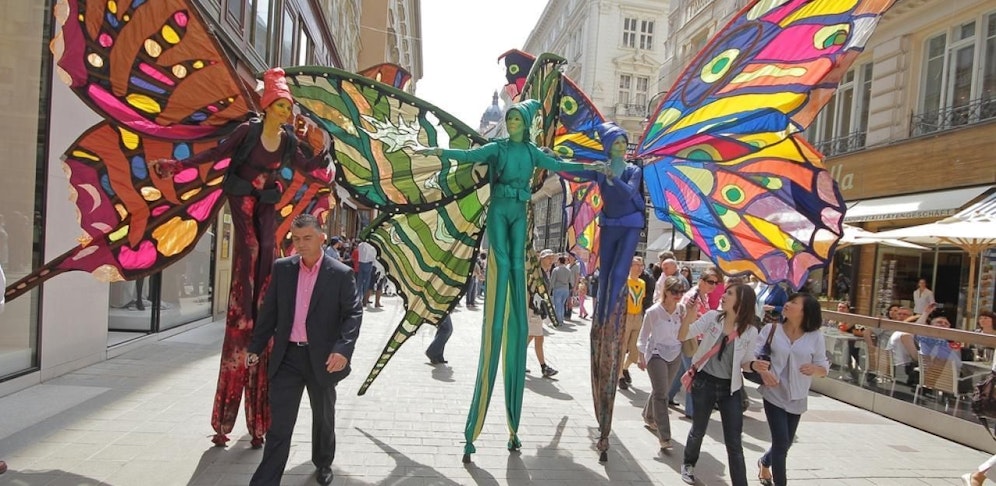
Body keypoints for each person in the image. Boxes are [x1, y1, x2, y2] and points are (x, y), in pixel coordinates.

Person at [416, 100, 609, 461]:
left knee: (517, 265)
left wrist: (593, 169)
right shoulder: (499, 148)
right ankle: (500, 308)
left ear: (527, 123)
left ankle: (513, 426)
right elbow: (466, 156)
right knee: (502, 261)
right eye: (511, 118)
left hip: (519, 210)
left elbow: (561, 166)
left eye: (519, 118)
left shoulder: (532, 152)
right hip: (500, 208)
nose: (514, 122)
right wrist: (436, 152)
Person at [150, 67, 328, 448]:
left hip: (266, 203)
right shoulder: (248, 132)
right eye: (281, 106)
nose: (286, 112)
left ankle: (261, 303)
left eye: (288, 107)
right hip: (242, 198)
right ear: (268, 106)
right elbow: (215, 154)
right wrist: (177, 166)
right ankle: (246, 301)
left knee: (268, 251)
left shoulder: (286, 141)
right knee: (250, 248)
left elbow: (309, 168)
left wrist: (324, 152)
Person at [245, 214, 363, 486]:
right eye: (296, 239)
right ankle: (265, 480)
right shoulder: (283, 269)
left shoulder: (341, 273)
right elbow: (270, 311)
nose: (301, 244)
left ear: (322, 238)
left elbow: (353, 314)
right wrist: (256, 346)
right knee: (280, 424)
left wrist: (343, 349)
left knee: (323, 417)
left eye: (307, 238)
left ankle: (323, 462)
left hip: (322, 359)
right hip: (287, 357)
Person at [677, 283, 761, 486]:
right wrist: (689, 314)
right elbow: (683, 335)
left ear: (741, 301)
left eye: (729, 293)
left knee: (734, 442)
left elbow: (745, 363)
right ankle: (688, 464)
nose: (723, 295)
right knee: (698, 429)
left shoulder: (750, 331)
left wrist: (754, 365)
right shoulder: (712, 318)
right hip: (704, 382)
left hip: (730, 389)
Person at [754, 293, 829, 486]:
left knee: (785, 443)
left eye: (794, 303)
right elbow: (753, 356)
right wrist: (763, 371)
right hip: (773, 393)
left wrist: (815, 369)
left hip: (797, 396)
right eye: (788, 301)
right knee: (781, 443)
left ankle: (764, 462)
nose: (787, 304)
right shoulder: (771, 329)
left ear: (805, 312)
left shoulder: (815, 336)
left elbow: (823, 368)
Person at [637, 276, 688, 453]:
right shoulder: (653, 312)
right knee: (661, 395)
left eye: (681, 292)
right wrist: (641, 356)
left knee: (662, 389)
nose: (678, 295)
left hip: (675, 354)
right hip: (656, 353)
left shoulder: (682, 310)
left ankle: (648, 415)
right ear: (666, 291)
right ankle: (664, 436)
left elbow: (687, 330)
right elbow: (643, 336)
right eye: (674, 291)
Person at [667, 268, 721, 418]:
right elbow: (683, 318)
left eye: (716, 283)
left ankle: (667, 396)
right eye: (710, 282)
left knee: (681, 371)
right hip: (691, 339)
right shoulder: (692, 297)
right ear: (701, 281)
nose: (713, 285)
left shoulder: (704, 295)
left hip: (698, 339)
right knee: (693, 374)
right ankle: (692, 410)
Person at [528, 249, 559, 377]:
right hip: (534, 310)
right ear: (541, 259)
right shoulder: (537, 273)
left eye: (552, 258)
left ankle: (519, 361)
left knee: (533, 337)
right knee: (537, 337)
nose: (551, 260)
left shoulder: (543, 273)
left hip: (537, 310)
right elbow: (530, 291)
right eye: (548, 258)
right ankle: (543, 367)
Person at [619, 257, 647, 390]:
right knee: (622, 346)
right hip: (626, 316)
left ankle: (625, 367)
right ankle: (619, 375)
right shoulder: (625, 281)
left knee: (636, 348)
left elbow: (641, 300)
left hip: (638, 317)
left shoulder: (642, 282)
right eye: (637, 265)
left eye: (641, 265)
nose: (640, 268)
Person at [550, 256, 573, 324]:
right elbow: (570, 281)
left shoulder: (555, 270)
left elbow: (552, 281)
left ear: (559, 261)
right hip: (565, 289)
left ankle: (558, 320)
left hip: (558, 288)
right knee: (562, 304)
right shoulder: (568, 270)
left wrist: (550, 289)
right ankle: (561, 319)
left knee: (558, 305)